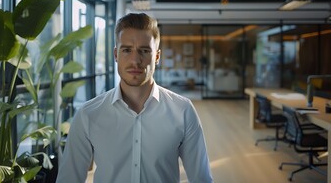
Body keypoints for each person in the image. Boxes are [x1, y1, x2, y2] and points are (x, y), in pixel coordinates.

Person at [56, 13, 213, 183]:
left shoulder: (183, 111)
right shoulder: (88, 115)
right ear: (116, 54)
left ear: (157, 57)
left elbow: (202, 179)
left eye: (144, 51)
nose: (135, 60)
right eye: (127, 50)